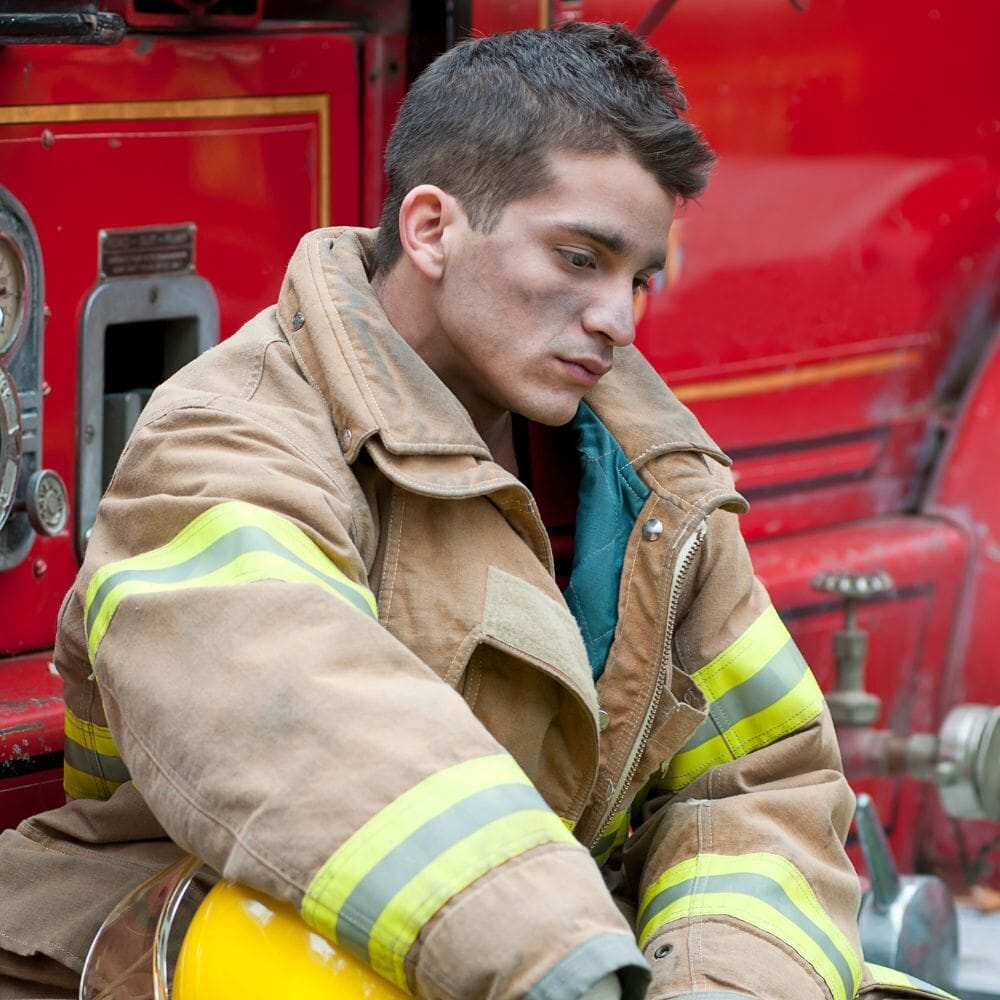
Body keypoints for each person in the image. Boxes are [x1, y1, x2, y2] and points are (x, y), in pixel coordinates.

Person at [0, 21, 950, 1000]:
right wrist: (570, 970)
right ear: (429, 228)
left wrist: (715, 986)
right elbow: (312, 733)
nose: (618, 322)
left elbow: (756, 785)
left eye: (638, 278)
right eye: (579, 258)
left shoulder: (650, 479)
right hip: (193, 947)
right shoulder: (229, 437)